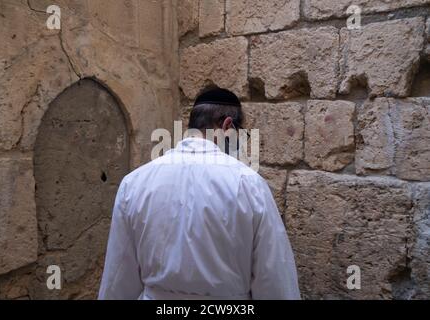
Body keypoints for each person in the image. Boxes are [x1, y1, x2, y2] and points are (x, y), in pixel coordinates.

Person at [98, 88, 300, 300]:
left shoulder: (135, 183)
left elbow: (118, 276)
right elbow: (274, 278)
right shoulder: (249, 185)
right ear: (228, 126)